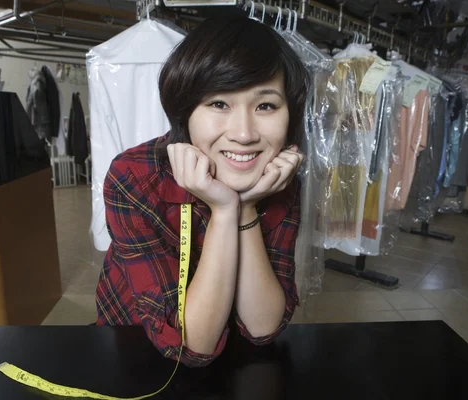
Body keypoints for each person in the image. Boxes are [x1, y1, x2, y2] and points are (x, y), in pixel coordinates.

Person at [95, 15, 310, 367]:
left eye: (266, 106)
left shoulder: (280, 179)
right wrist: (225, 210)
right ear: (185, 111)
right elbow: (194, 346)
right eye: (219, 104)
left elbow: (262, 328)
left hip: (234, 359)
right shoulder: (134, 176)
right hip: (135, 352)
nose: (244, 133)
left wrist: (240, 209)